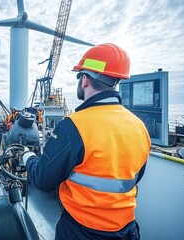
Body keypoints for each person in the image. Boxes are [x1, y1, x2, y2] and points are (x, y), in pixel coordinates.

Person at [22, 43, 151, 240]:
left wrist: (27, 157)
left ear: (84, 80)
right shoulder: (139, 126)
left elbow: (43, 179)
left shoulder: (74, 125)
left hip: (81, 231)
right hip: (127, 231)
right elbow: (135, 176)